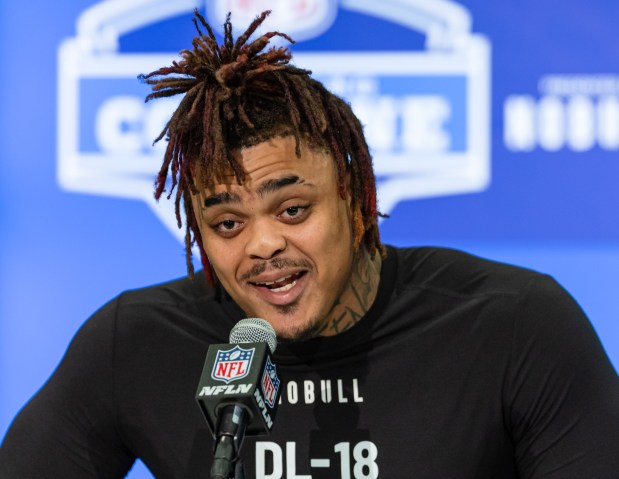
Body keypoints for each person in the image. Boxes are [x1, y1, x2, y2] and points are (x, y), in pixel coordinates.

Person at [2, 10, 619, 479]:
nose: (263, 244)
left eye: (292, 209)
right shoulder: (136, 343)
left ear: (355, 202)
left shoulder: (512, 325)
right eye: (227, 224)